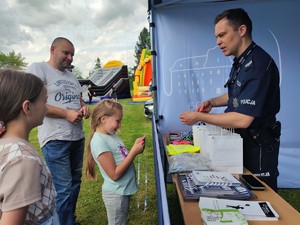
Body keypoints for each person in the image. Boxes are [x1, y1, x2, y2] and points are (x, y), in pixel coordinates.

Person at [180, 8, 281, 191]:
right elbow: (237, 94)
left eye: (222, 35)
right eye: (217, 37)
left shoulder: (258, 65)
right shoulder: (241, 60)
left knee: (261, 199)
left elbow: (243, 119)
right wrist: (212, 102)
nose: (218, 42)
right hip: (242, 143)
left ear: (241, 31)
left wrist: (198, 116)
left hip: (258, 149)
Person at [26, 37, 91, 225]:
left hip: (77, 137)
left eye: (72, 55)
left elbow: (78, 100)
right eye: (66, 53)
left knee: (74, 185)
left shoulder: (71, 76)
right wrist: (65, 114)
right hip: (55, 140)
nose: (70, 58)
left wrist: (83, 107)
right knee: (63, 190)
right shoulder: (38, 69)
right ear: (52, 49)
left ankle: (68, 219)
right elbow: (34, 102)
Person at [0, 69, 60, 225]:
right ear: (27, 107)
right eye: (44, 101)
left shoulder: (5, 144)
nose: (47, 107)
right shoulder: (22, 160)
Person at [85, 99, 146, 225]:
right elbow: (114, 174)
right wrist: (134, 152)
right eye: (118, 121)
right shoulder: (99, 142)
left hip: (121, 191)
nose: (120, 125)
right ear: (103, 119)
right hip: (116, 194)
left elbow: (121, 157)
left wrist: (134, 147)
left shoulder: (111, 135)